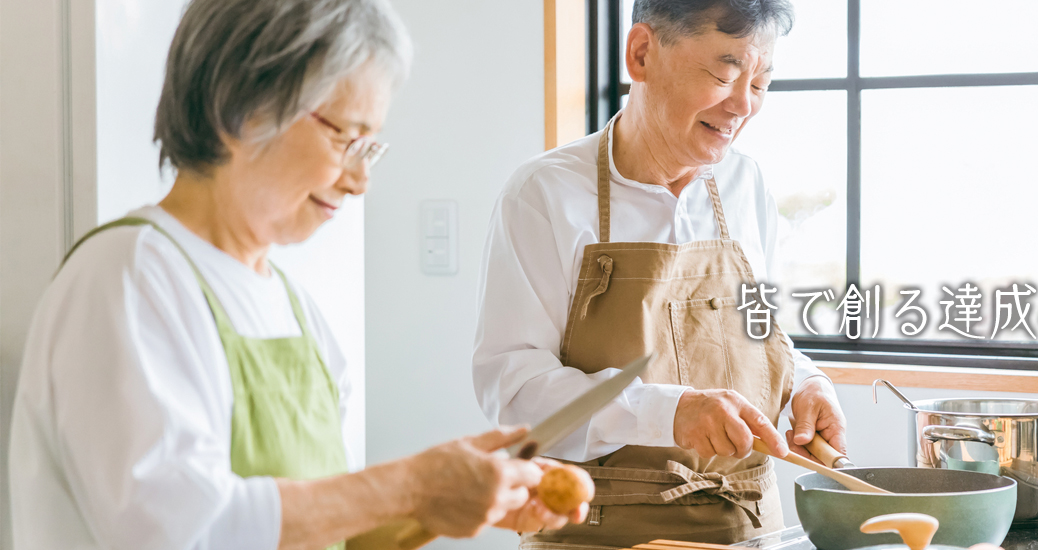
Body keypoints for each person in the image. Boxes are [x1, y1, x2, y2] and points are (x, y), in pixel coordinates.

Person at [7, 1, 583, 549]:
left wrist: (440, 506)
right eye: (346, 138)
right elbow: (178, 534)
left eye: (371, 148)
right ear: (243, 108)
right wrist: (415, 485)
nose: (360, 181)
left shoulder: (293, 307)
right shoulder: (128, 277)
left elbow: (330, 533)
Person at [473, 0, 846, 547]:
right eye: (725, 74)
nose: (743, 104)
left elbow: (763, 336)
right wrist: (667, 412)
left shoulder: (748, 185)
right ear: (642, 54)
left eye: (762, 83)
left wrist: (807, 384)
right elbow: (515, 393)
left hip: (746, 530)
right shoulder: (545, 194)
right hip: (595, 531)